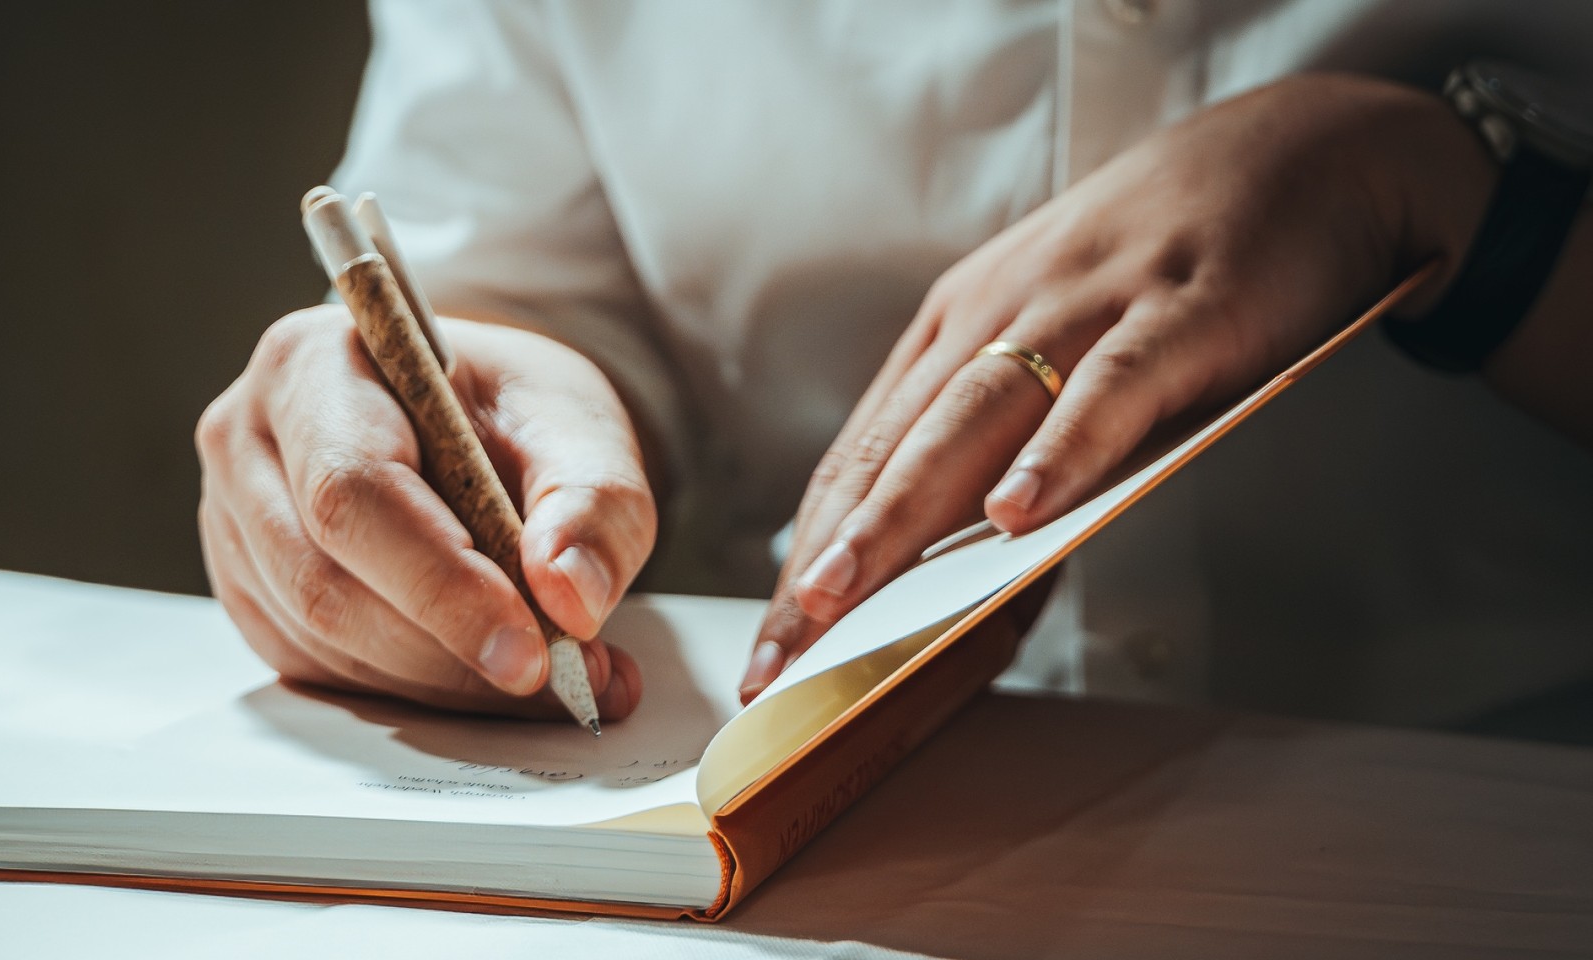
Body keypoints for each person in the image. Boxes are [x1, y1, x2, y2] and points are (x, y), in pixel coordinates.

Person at [195, 1, 1593, 729]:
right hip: (822, 827)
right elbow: (521, 277)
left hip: (1506, 803)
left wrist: (1449, 194)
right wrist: (503, 413)